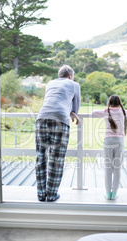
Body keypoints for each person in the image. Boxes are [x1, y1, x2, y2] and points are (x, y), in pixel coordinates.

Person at [35, 65, 81, 202]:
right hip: (60, 119)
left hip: (42, 118)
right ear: (70, 76)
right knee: (56, 159)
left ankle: (41, 194)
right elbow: (76, 105)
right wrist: (73, 113)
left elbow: (50, 100)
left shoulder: (49, 83)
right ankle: (52, 194)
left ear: (59, 75)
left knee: (41, 157)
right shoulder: (74, 84)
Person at [92, 95, 127, 200]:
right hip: (119, 142)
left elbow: (93, 113)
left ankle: (108, 193)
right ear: (120, 103)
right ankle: (114, 193)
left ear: (109, 103)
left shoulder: (106, 112)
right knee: (117, 169)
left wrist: (105, 109)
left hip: (108, 141)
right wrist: (123, 109)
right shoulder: (123, 112)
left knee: (108, 168)